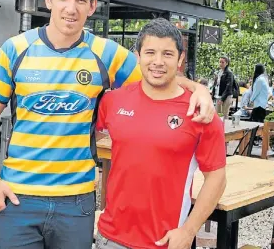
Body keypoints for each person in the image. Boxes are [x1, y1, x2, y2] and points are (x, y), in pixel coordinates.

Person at [0, 0, 215, 249]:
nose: (70, 8)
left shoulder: (106, 53)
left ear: (92, 6)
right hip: (18, 199)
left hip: (76, 203)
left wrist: (198, 88)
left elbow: (158, 73)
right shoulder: (15, 50)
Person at [95, 18, 227, 249]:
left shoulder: (200, 112)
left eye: (167, 54)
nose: (157, 62)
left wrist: (188, 231)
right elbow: (83, 142)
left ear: (180, 59)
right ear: (137, 56)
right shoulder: (112, 101)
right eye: (150, 52)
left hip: (164, 242)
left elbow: (217, 178)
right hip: (110, 238)